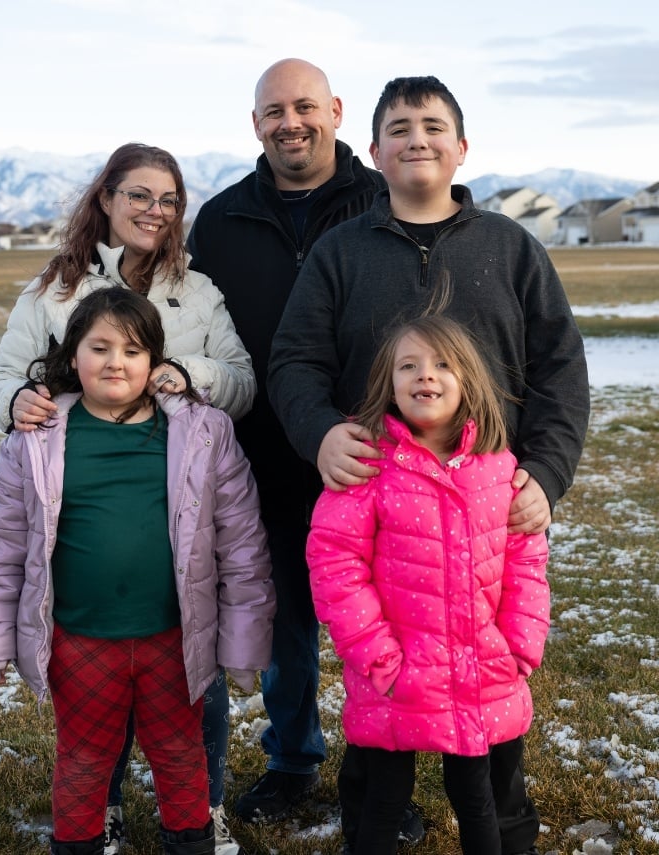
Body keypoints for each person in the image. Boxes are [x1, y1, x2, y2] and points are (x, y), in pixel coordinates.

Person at [268, 76, 590, 854]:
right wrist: (320, 435)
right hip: (387, 527)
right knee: (383, 714)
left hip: (486, 516)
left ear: (462, 147)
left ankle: (498, 819)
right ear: (373, 152)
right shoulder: (343, 252)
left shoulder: (511, 247)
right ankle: (376, 817)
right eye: (400, 127)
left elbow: (561, 370)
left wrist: (544, 475)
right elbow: (295, 358)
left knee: (488, 727)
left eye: (434, 124)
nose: (417, 137)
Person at [0, 142, 255, 855]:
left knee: (192, 690)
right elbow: (2, 379)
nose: (153, 211)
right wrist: (20, 401)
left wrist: (182, 372)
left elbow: (240, 378)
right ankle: (95, 810)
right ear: (105, 198)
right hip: (80, 485)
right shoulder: (55, 289)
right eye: (138, 195)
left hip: (175, 498)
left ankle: (205, 806)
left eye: (167, 199)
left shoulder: (196, 292)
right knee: (93, 700)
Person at [186, 58, 432, 840]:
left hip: (376, 457)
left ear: (334, 110)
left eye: (303, 107)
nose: (289, 122)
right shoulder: (222, 219)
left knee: (389, 626)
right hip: (262, 454)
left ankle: (386, 779)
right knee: (286, 623)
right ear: (254, 124)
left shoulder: (379, 199)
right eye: (272, 111)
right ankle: (293, 758)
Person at [307, 315, 550, 854]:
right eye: (409, 365)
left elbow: (526, 564)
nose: (426, 376)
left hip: (479, 670)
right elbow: (335, 567)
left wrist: (518, 649)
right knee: (383, 800)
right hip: (397, 674)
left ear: (468, 380)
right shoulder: (368, 466)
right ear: (388, 384)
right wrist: (380, 660)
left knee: (477, 797)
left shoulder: (497, 467)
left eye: (443, 364)